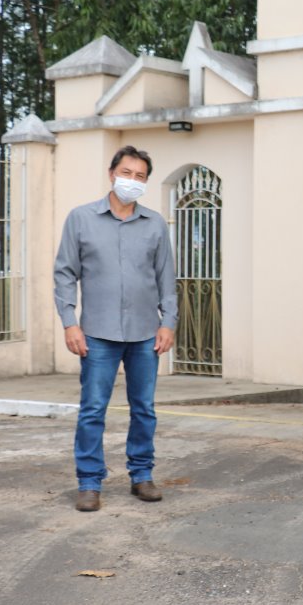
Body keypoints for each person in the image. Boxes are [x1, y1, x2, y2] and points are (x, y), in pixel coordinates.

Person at [54, 145, 177, 512]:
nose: (132, 181)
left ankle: (142, 475)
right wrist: (69, 323)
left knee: (144, 409)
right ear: (112, 174)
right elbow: (64, 273)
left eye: (140, 176)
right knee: (93, 409)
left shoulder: (155, 224)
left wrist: (168, 323)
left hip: (145, 333)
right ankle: (89, 483)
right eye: (126, 173)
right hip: (97, 333)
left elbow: (166, 279)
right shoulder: (81, 219)